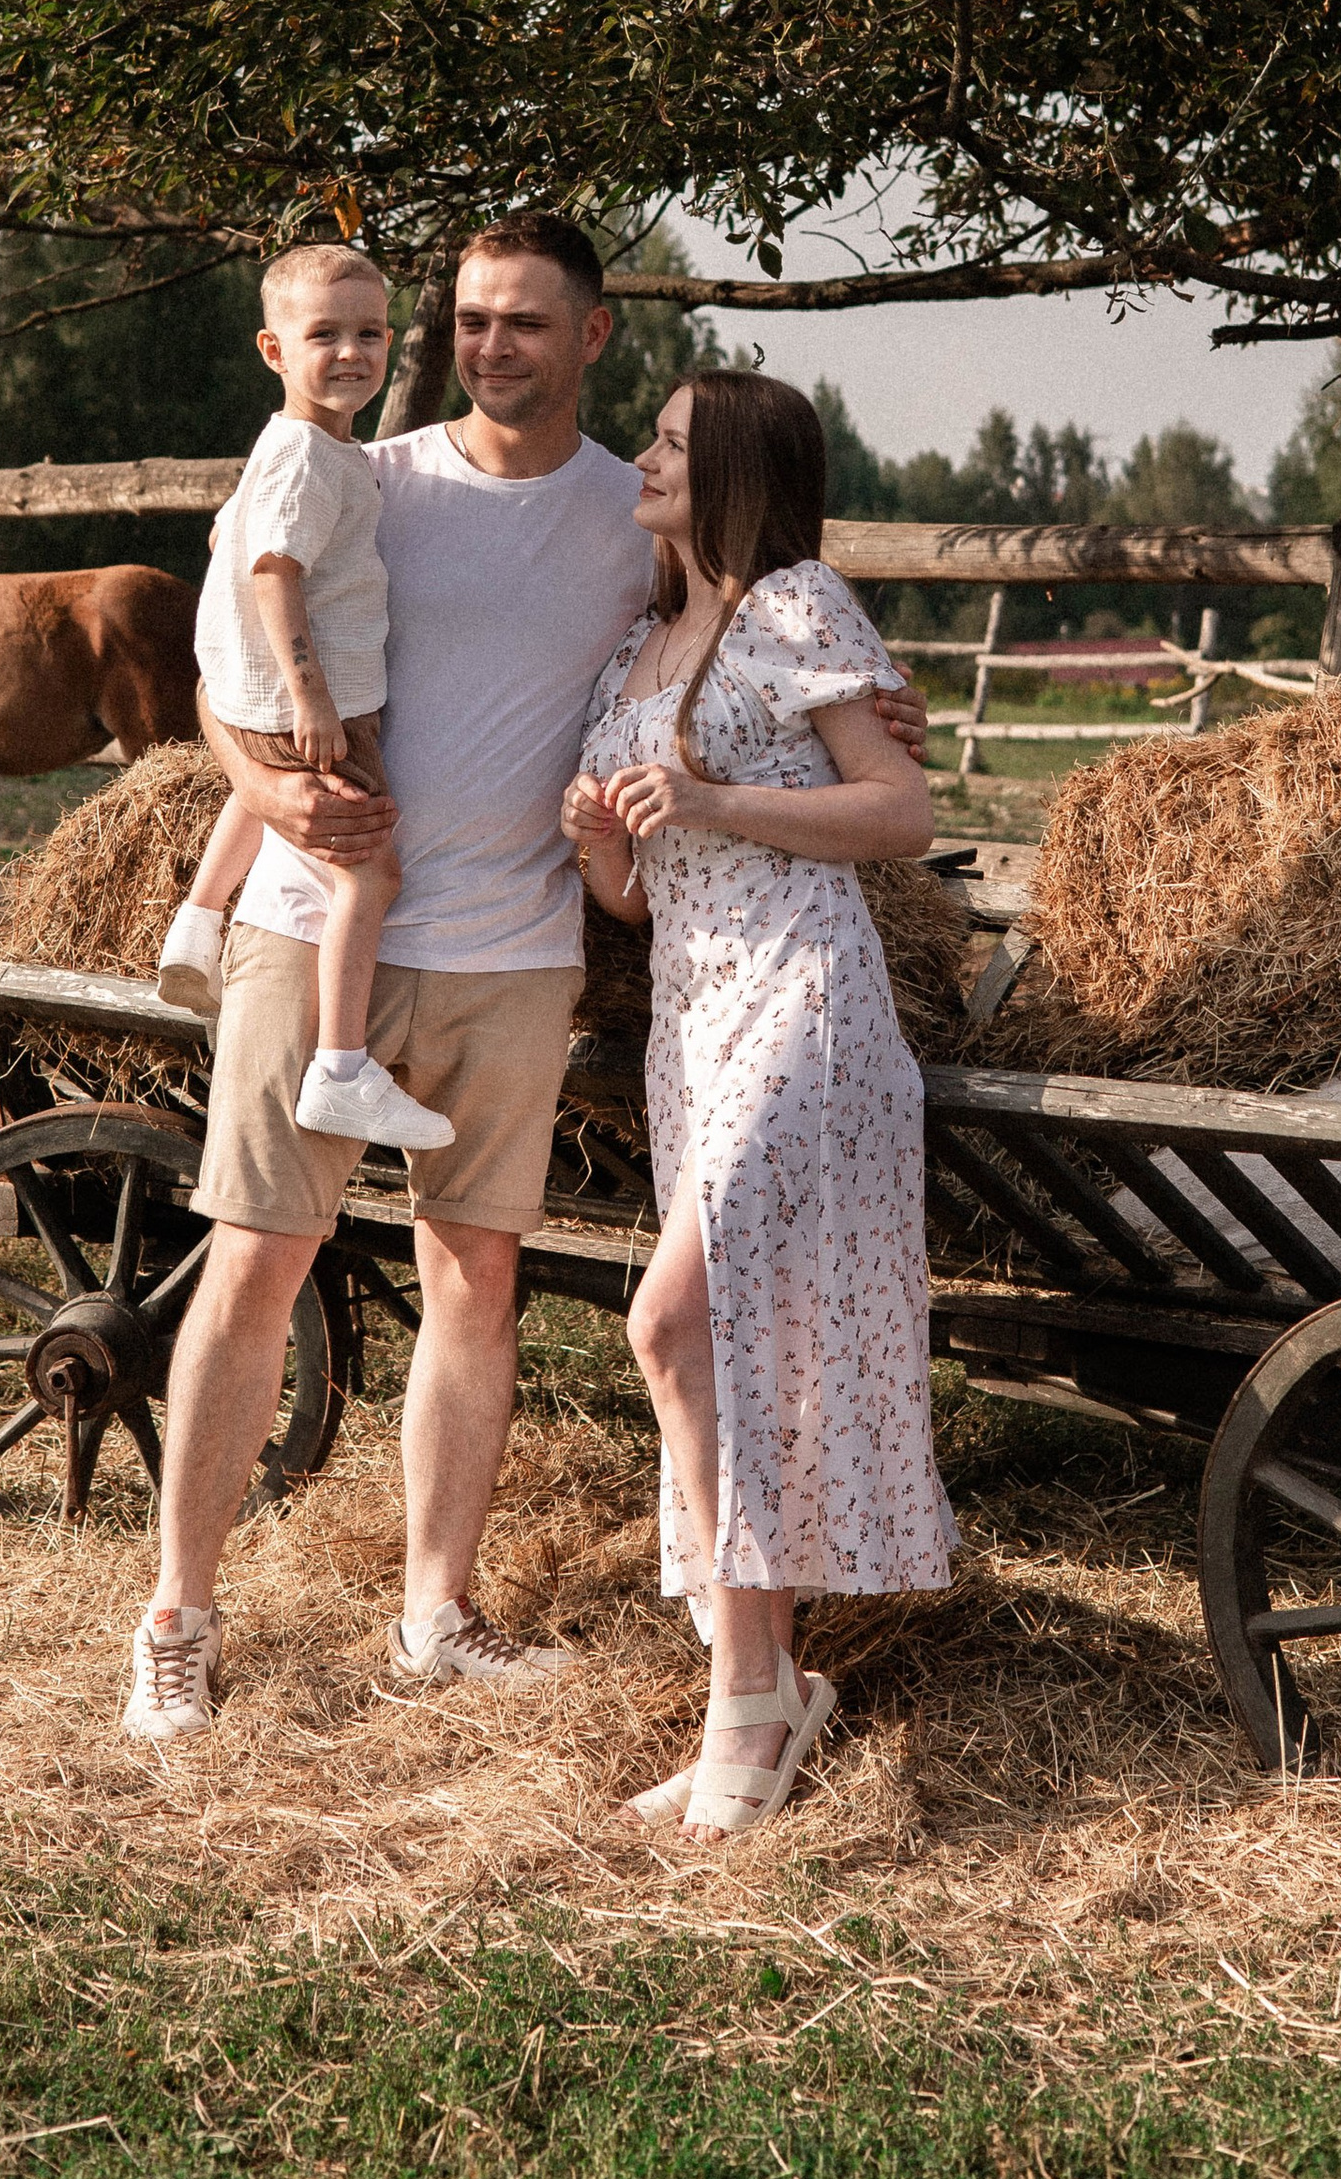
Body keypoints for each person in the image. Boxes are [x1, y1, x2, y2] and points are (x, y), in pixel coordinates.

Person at [120, 218, 926, 1747]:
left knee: (473, 1279)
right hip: (320, 924)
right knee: (257, 1259)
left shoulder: (633, 510)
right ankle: (177, 1616)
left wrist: (883, 695)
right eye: (474, 322)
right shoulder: (370, 474)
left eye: (528, 324)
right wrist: (268, 793)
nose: (493, 348)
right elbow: (233, 654)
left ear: (594, 336)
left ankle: (437, 1612)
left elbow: (745, 630)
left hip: (517, 950)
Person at [562, 369, 956, 1842]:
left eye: (667, 445)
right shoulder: (635, 653)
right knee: (728, 1344)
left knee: (670, 1325)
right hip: (694, 1016)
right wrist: (602, 836)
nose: (644, 464)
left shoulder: (798, 605)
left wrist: (714, 801)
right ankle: (770, 1685)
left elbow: (901, 817)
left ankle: (746, 1702)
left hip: (806, 1003)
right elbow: (632, 893)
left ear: (730, 468)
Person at [158, 242, 452, 1157]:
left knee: (265, 805)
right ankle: (340, 1068)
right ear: (274, 350)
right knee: (369, 875)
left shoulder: (303, 445)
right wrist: (311, 694)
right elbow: (273, 570)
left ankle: (198, 926)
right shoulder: (310, 458)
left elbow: (237, 530)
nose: (351, 353)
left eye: (369, 332)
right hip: (303, 705)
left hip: (269, 702)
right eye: (323, 334)